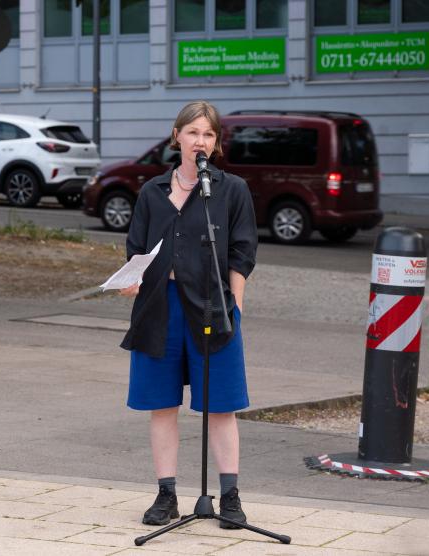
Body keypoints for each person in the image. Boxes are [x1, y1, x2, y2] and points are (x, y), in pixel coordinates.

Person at [119, 101, 257, 528]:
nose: (200, 141)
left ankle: (230, 496)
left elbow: (242, 250)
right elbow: (137, 249)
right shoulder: (152, 192)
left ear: (216, 144)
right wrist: (132, 280)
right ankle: (166, 495)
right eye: (193, 132)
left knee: (221, 406)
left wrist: (236, 302)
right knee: (162, 405)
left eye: (209, 135)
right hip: (160, 307)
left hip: (213, 306)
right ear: (176, 135)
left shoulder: (230, 189)